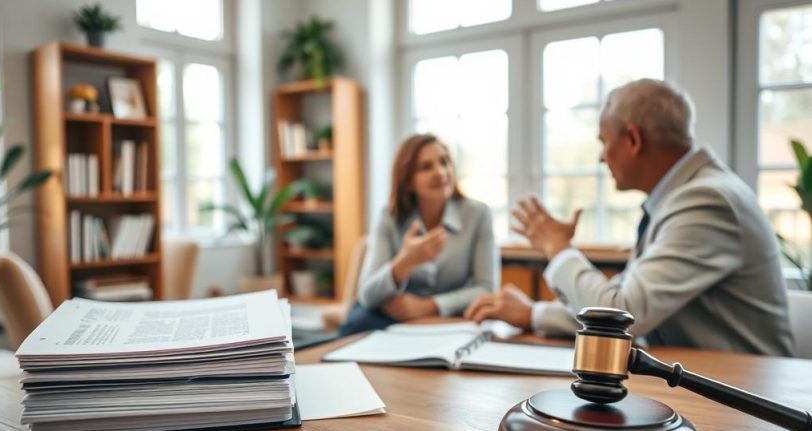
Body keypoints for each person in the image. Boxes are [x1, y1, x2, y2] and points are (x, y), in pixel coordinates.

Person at [465, 79, 794, 356]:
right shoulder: (682, 196)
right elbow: (625, 302)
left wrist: (557, 247)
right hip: (711, 382)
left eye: (604, 142)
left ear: (634, 140)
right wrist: (533, 314)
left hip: (747, 402)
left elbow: (622, 314)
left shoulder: (705, 201)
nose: (601, 157)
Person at [339, 133, 500, 335]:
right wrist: (404, 263)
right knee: (357, 323)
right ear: (407, 181)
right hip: (392, 315)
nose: (440, 172)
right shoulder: (388, 216)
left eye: (444, 162)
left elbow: (487, 289)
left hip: (451, 315)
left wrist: (429, 305)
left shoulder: (478, 214)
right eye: (426, 167)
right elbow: (367, 295)